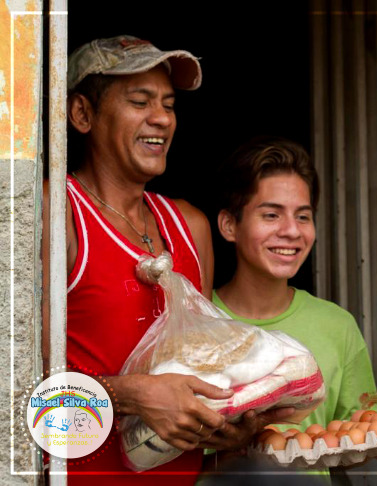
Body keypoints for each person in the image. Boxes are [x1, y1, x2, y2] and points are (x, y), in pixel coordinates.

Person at [42, 36, 289, 484]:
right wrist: (130, 396)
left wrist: (231, 420)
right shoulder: (56, 214)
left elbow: (203, 369)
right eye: (140, 101)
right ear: (81, 114)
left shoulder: (190, 228)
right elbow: (19, 389)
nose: (161, 118)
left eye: (169, 105)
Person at [212, 137, 377, 466]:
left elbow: (362, 432)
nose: (292, 231)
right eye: (272, 215)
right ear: (229, 225)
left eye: (303, 217)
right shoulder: (195, 325)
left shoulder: (336, 326)